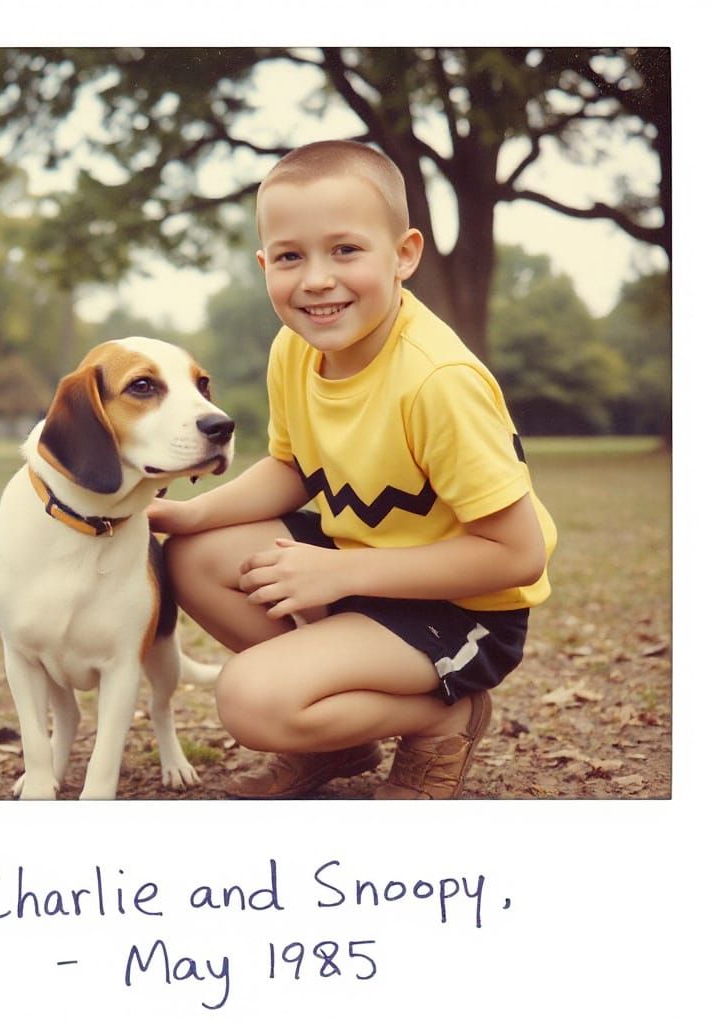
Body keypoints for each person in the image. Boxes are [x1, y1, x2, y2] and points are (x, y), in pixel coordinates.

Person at [149, 139, 557, 799]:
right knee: (192, 554)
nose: (315, 279)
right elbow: (293, 468)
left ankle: (445, 717)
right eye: (289, 256)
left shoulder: (436, 381)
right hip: (363, 571)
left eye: (345, 250)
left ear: (405, 255)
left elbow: (516, 556)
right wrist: (189, 512)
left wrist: (338, 572)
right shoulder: (296, 346)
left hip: (463, 610)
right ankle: (337, 737)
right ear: (264, 265)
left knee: (250, 702)